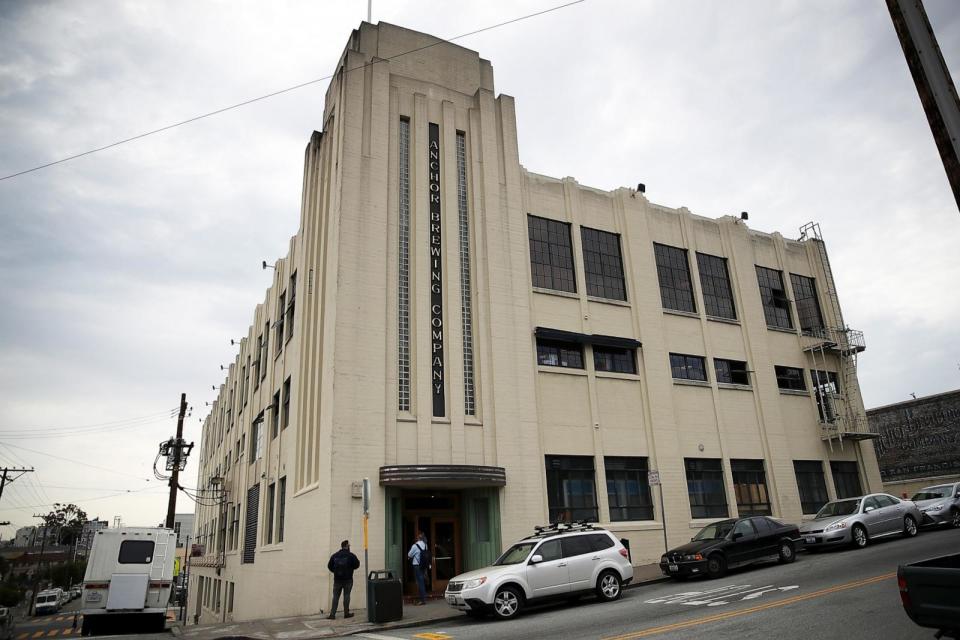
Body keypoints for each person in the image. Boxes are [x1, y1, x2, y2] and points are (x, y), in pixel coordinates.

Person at [326, 540, 360, 619]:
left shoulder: (335, 555)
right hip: (348, 579)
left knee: (335, 596)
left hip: (337, 580)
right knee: (347, 595)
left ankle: (332, 614)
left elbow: (329, 566)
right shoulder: (351, 555)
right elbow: (357, 565)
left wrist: (335, 572)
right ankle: (346, 613)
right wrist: (350, 569)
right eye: (349, 546)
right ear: (347, 546)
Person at [407, 531, 429, 605]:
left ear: (418, 538)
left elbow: (409, 555)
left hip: (417, 566)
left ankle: (423, 600)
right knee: (422, 581)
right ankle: (423, 598)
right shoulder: (425, 545)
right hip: (423, 565)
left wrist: (409, 557)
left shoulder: (415, 546)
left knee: (420, 582)